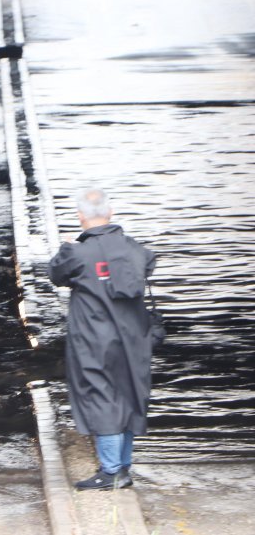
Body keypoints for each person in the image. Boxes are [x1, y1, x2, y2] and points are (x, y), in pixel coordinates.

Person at [48, 188, 157, 491]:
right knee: (130, 395)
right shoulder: (135, 249)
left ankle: (110, 473)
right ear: (110, 213)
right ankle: (123, 469)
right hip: (134, 337)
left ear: (81, 216)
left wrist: (66, 249)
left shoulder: (77, 252)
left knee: (102, 398)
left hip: (94, 338)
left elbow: (56, 275)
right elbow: (148, 264)